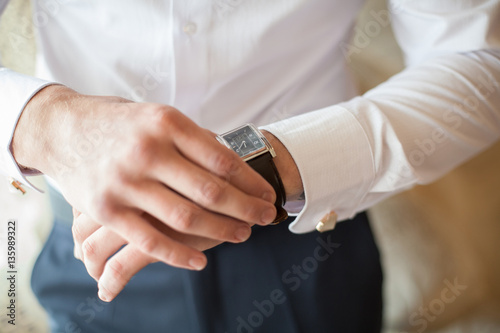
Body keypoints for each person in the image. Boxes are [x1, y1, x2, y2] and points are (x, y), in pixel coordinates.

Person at [1, 0, 499, 332]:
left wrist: (270, 164)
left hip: (304, 248)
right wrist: (42, 122)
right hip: (94, 249)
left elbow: (480, 58)